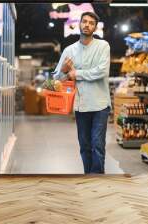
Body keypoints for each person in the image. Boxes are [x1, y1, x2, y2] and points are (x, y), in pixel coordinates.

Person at [53, 11, 111, 174]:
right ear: (79, 24)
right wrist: (64, 71)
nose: (87, 25)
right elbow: (57, 80)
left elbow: (102, 71)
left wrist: (76, 73)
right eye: (84, 21)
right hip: (81, 106)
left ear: (95, 27)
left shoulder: (103, 46)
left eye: (91, 23)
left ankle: (97, 180)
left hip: (100, 105)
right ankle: (88, 177)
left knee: (97, 145)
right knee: (85, 146)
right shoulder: (69, 50)